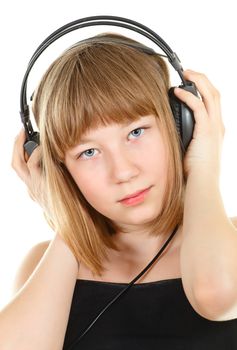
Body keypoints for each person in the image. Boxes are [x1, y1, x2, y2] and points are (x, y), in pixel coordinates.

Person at [1, 32, 237, 350]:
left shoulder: (229, 244)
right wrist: (66, 211)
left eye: (136, 132)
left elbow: (217, 295)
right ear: (59, 168)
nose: (123, 172)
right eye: (88, 152)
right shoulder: (47, 264)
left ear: (182, 124)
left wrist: (204, 165)